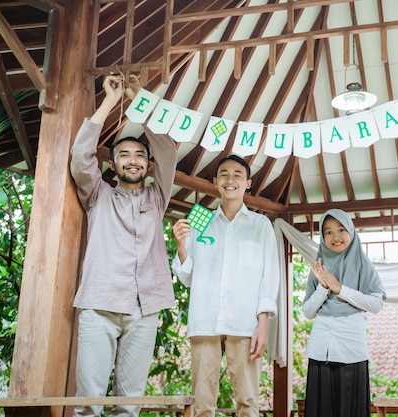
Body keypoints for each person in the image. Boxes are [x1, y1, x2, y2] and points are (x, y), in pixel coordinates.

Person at [70, 74, 177, 417]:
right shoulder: (97, 195)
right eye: (125, 155)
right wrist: (110, 102)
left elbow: (168, 150)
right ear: (113, 164)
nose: (133, 160)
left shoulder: (157, 197)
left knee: (129, 408)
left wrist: (138, 100)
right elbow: (80, 155)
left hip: (144, 309)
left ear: (148, 164)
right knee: (89, 405)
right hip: (100, 304)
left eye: (140, 155)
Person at [171, 154, 280, 417]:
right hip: (205, 319)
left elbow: (269, 276)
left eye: (237, 175)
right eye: (224, 174)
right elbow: (187, 276)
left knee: (247, 401)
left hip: (245, 323)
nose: (230, 179)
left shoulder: (261, 225)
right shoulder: (199, 219)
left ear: (248, 183)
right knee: (201, 402)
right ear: (215, 182)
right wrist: (181, 246)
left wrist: (262, 323)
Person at [302, 209, 386, 417]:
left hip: (351, 350)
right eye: (328, 232)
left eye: (341, 229)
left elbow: (376, 304)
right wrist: (323, 288)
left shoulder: (363, 265)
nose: (335, 237)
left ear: (350, 230)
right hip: (321, 350)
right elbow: (308, 311)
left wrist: (341, 289)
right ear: (322, 237)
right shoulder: (318, 266)